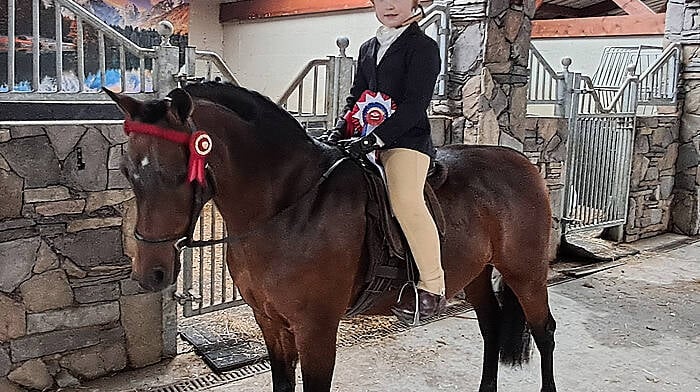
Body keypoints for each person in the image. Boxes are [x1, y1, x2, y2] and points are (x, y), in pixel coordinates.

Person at [323, 0, 445, 325]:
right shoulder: (367, 48)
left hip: (406, 142)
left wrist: (377, 138)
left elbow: (415, 105)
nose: (390, 5)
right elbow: (357, 96)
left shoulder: (423, 47)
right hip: (363, 140)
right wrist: (341, 128)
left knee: (405, 201)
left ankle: (432, 287)